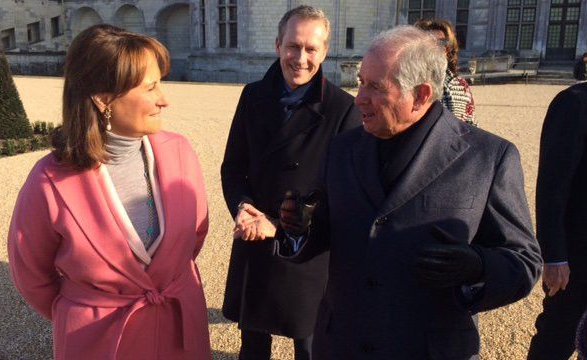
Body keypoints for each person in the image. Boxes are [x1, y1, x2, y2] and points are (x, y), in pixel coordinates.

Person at [277, 25, 542, 359]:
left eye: (374, 87)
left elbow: (524, 262)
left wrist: (477, 265)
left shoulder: (489, 158)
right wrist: (299, 228)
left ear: (420, 95)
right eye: (361, 82)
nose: (359, 98)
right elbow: (324, 229)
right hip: (341, 344)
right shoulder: (341, 148)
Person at [7, 24, 211, 359]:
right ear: (104, 99)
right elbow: (31, 276)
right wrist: (86, 310)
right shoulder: (49, 181)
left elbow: (195, 235)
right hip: (99, 341)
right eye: (151, 88)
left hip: (179, 333)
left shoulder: (180, 152)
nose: (165, 99)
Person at [220, 5, 361, 360]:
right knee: (252, 344)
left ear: (325, 51)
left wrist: (285, 225)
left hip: (306, 247)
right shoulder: (252, 96)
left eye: (311, 49)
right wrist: (243, 208)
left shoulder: (343, 109)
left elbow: (348, 191)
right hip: (254, 238)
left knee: (310, 345)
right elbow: (233, 169)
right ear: (277, 44)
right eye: (292, 46)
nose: (300, 58)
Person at [528, 81, 587, 359]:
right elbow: (552, 187)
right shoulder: (574, 102)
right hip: (578, 260)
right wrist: (554, 257)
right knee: (556, 340)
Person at [414, 18, 476, 126]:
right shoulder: (407, 79)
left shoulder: (456, 86)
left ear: (448, 50)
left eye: (440, 43)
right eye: (427, 42)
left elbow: (454, 131)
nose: (432, 48)